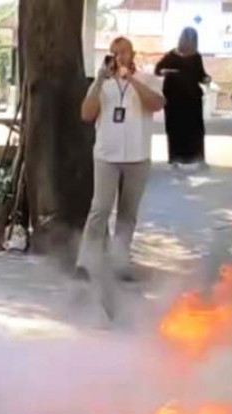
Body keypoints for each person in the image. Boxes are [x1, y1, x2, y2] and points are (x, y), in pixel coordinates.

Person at [77, 37, 165, 281]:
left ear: (133, 53)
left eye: (124, 52)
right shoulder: (102, 84)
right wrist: (98, 81)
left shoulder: (146, 79)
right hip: (107, 155)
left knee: (128, 213)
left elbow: (157, 104)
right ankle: (85, 262)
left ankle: (120, 261)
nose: (120, 57)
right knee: (100, 208)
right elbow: (86, 114)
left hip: (138, 155)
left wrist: (132, 79)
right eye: (115, 53)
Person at [155, 27, 211, 169]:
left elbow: (200, 75)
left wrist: (206, 78)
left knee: (196, 129)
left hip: (192, 99)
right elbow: (158, 70)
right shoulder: (171, 55)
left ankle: (198, 158)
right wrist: (165, 71)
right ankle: (174, 159)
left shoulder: (196, 57)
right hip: (174, 99)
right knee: (174, 129)